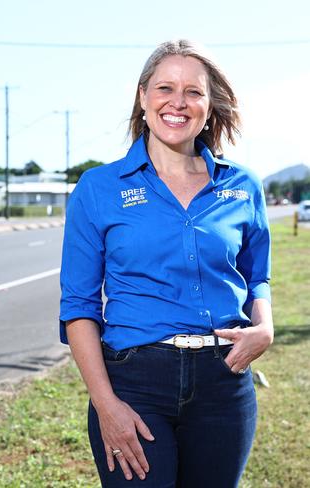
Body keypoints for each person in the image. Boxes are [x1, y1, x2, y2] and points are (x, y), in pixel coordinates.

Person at [59, 39, 273, 488]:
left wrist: (265, 328)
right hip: (134, 385)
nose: (178, 103)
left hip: (224, 382)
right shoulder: (98, 188)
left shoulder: (243, 187)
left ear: (210, 106)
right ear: (142, 97)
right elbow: (78, 306)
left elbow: (257, 277)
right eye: (164, 88)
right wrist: (105, 404)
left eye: (194, 92)